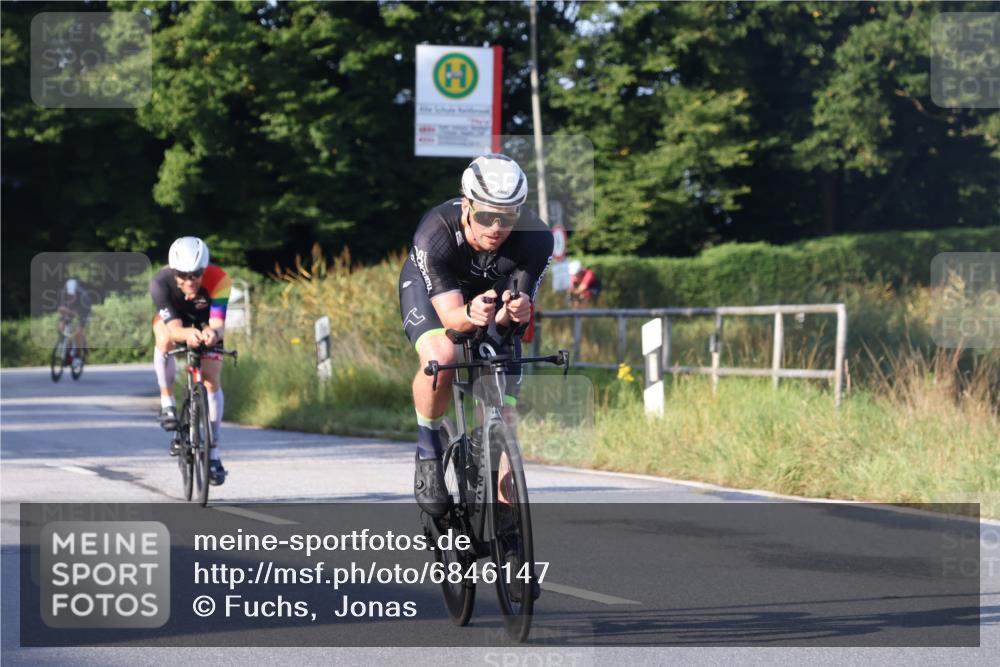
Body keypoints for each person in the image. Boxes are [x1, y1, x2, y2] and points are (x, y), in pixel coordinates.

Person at [398, 153, 553, 518]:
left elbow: (514, 315)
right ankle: (428, 449)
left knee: (502, 398)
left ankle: (507, 529)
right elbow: (453, 319)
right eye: (486, 216)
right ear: (467, 205)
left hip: (490, 298)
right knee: (443, 356)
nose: (496, 227)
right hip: (436, 295)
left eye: (508, 217)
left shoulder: (537, 238)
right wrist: (470, 313)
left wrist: (514, 312)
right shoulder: (435, 230)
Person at [149, 236, 231, 486]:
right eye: (182, 275)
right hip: (176, 323)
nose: (189, 281)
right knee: (163, 339)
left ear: (204, 270)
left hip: (205, 322)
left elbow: (219, 323)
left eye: (195, 275)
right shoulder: (160, 283)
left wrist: (212, 334)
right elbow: (174, 330)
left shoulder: (220, 279)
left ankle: (214, 453)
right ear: (173, 272)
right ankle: (167, 402)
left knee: (211, 380)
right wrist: (188, 335)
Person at [57, 278, 90, 358]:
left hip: (83, 312)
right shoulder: (63, 293)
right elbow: (61, 308)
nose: (70, 296)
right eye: (68, 295)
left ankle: (79, 353)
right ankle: (66, 345)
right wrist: (64, 311)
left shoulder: (83, 296)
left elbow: (84, 314)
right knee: (60, 326)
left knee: (78, 332)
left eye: (72, 295)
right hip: (71, 310)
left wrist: (79, 321)